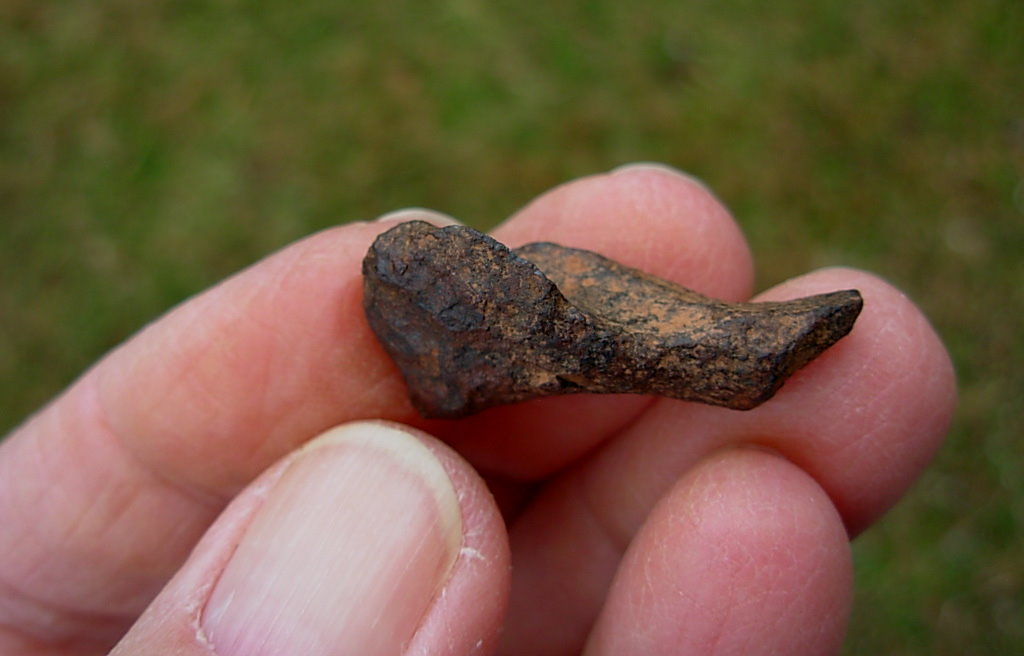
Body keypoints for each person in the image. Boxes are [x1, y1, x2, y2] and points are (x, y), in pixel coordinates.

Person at [0, 164, 955, 656]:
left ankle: (742, 351)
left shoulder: (518, 304)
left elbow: (553, 301)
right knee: (660, 325)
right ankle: (741, 353)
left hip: (520, 335)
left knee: (648, 309)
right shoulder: (485, 321)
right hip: (510, 343)